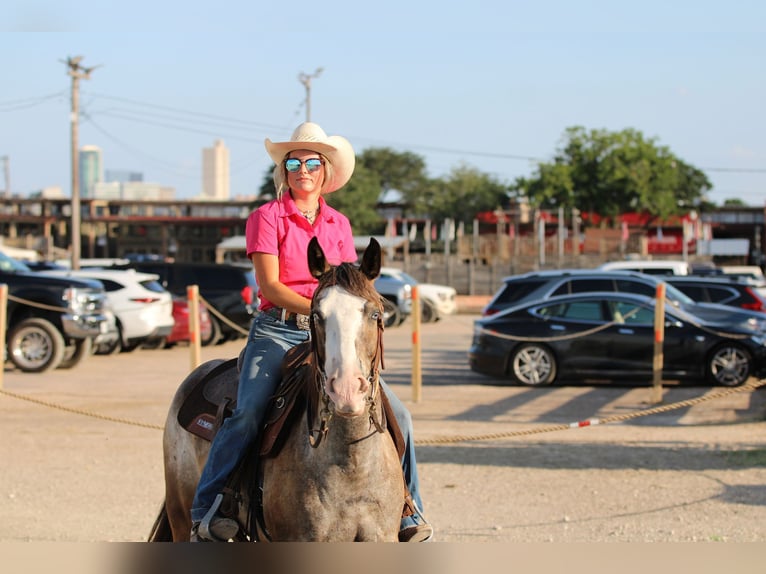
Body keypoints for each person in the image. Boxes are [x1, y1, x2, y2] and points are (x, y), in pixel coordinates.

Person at [190, 122, 433, 542]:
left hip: (331, 332)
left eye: (312, 162)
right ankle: (212, 505)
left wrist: (340, 316)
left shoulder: (338, 224)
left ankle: (409, 509)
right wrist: (324, 312)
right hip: (278, 331)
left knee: (402, 415)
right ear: (284, 171)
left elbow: (348, 286)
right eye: (295, 162)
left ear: (325, 172)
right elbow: (270, 286)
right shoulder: (266, 218)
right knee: (248, 410)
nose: (303, 169)